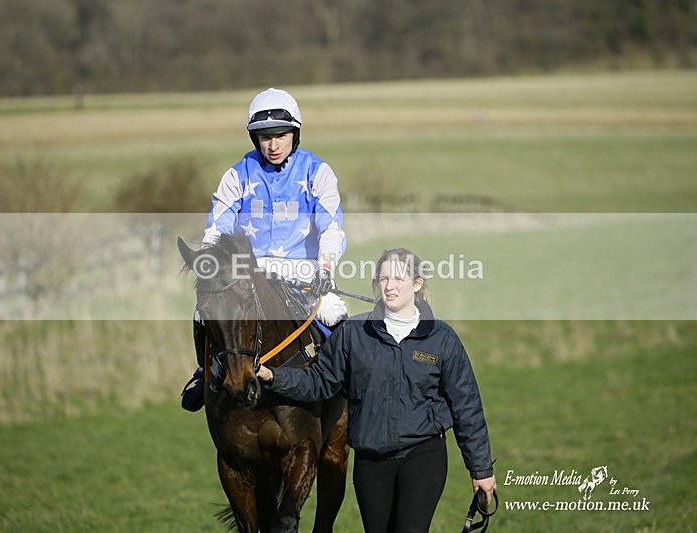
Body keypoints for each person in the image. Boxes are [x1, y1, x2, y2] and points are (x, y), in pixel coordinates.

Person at [257, 248, 496, 532]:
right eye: (383, 279)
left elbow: (467, 407)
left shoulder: (441, 339)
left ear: (417, 284)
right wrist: (273, 376)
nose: (389, 286)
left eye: (398, 278)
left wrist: (481, 470)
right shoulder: (354, 332)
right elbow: (319, 381)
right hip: (371, 460)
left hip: (423, 454)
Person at [181, 87, 348, 412]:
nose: (273, 145)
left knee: (334, 311)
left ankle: (348, 380)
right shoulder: (237, 175)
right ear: (254, 138)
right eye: (264, 137)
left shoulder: (318, 172)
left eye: (280, 136)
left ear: (294, 134)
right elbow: (217, 228)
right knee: (202, 312)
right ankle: (205, 372)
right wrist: (211, 266)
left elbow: (331, 227)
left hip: (303, 269)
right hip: (248, 270)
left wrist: (326, 268)